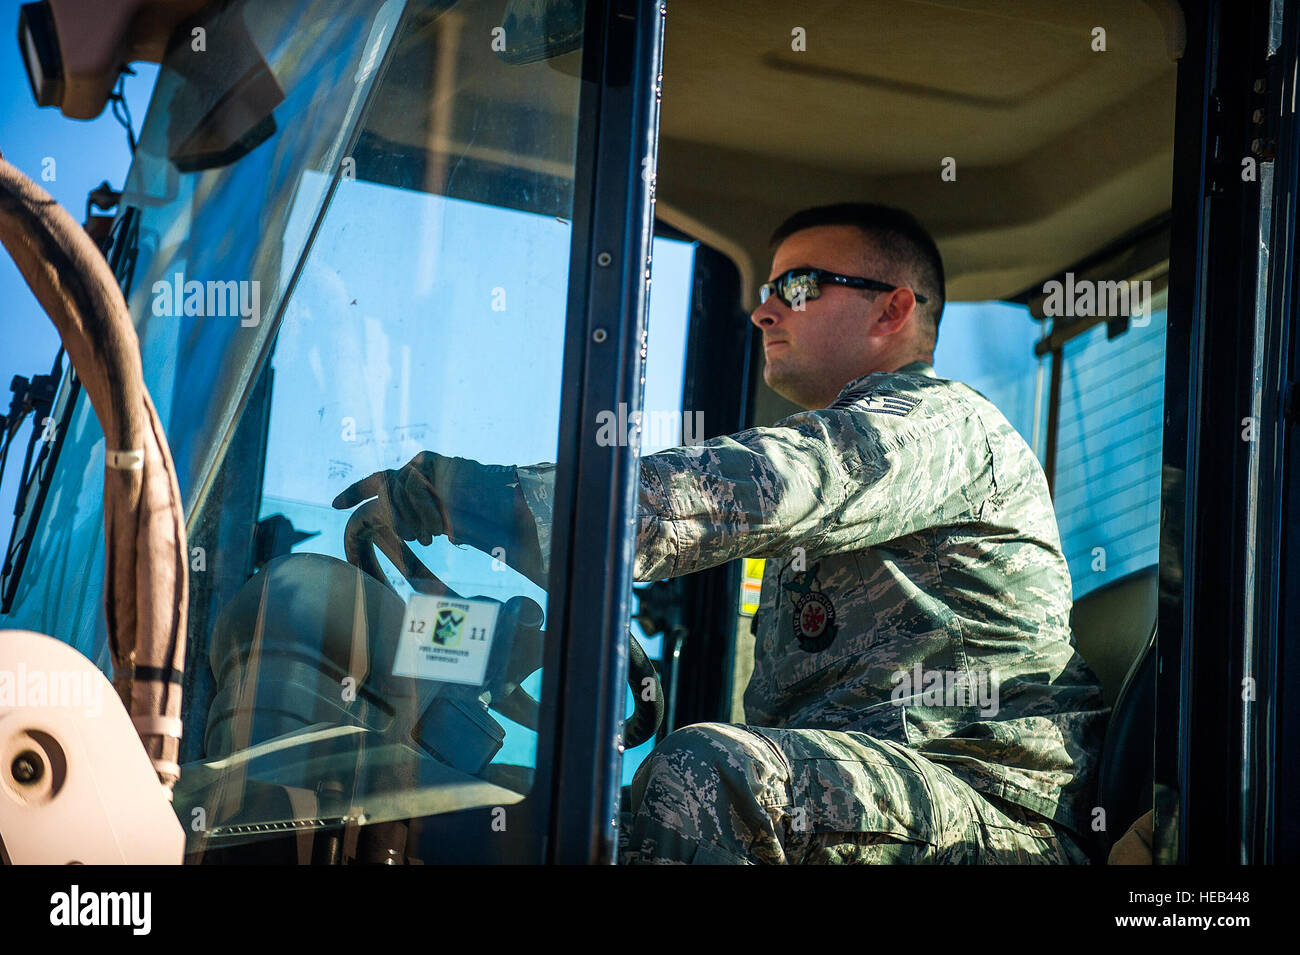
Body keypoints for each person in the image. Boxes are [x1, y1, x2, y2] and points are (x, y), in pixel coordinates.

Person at [333, 202, 1108, 864]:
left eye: (798, 287)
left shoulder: (940, 424)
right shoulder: (856, 463)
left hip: (994, 817)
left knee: (713, 776)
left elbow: (763, 482)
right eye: (767, 290)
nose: (764, 310)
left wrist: (470, 495)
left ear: (892, 310)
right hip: (875, 803)